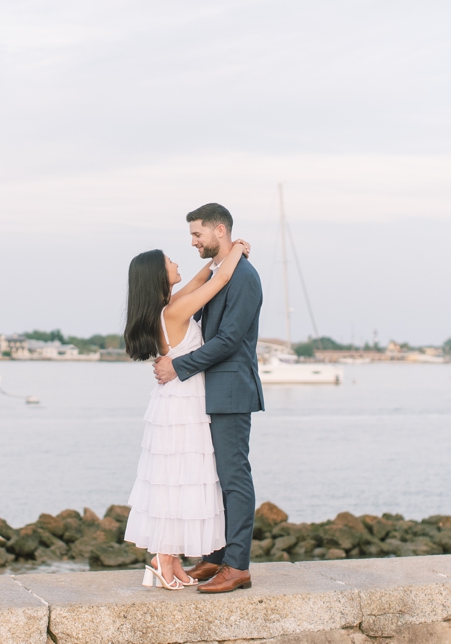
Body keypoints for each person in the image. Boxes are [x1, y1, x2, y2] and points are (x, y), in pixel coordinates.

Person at [120, 219, 252, 590]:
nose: (177, 263)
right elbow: (220, 282)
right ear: (159, 276)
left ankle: (168, 559)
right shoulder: (174, 312)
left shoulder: (169, 306)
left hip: (176, 400)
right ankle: (165, 558)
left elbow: (203, 278)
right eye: (169, 262)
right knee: (181, 479)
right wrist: (237, 250)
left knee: (173, 479)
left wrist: (218, 256)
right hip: (183, 404)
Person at [153, 203, 264, 594]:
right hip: (208, 390)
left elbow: (229, 340)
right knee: (214, 477)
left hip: (231, 390)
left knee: (234, 477)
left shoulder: (244, 277)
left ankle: (238, 566)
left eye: (197, 234)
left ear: (220, 231)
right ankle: (216, 555)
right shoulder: (221, 272)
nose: (193, 242)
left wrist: (178, 367)